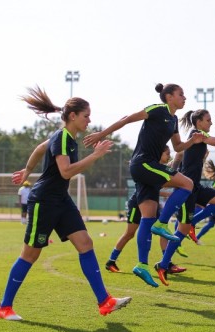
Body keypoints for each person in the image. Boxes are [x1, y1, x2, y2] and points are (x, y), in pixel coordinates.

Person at [0, 87, 131, 321]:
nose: (89, 120)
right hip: (44, 202)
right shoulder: (61, 137)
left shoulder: (66, 138)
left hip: (61, 200)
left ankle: (105, 301)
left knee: (85, 243)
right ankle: (4, 307)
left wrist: (28, 170)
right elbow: (66, 171)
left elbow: (40, 148)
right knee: (30, 255)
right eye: (86, 115)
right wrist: (96, 155)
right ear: (73, 116)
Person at [83, 83, 204, 287]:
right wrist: (101, 134)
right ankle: (162, 223)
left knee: (147, 217)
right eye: (181, 94)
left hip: (149, 168)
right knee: (188, 184)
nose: (185, 98)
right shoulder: (157, 110)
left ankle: (142, 265)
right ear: (168, 96)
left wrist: (193, 141)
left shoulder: (173, 119)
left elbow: (177, 147)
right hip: (144, 164)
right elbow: (126, 119)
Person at [154, 109, 215, 286]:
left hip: (195, 186)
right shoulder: (198, 134)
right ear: (199, 122)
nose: (211, 123)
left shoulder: (193, 136)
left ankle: (193, 224)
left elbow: (179, 154)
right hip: (187, 188)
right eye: (208, 120)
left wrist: (172, 171)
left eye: (212, 120)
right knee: (181, 230)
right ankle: (163, 264)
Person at [104, 146, 186, 274]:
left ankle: (167, 263)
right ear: (158, 154)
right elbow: (156, 187)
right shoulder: (148, 169)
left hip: (151, 203)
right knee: (129, 234)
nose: (168, 156)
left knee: (163, 230)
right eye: (167, 154)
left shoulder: (157, 168)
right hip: (137, 203)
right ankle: (111, 261)